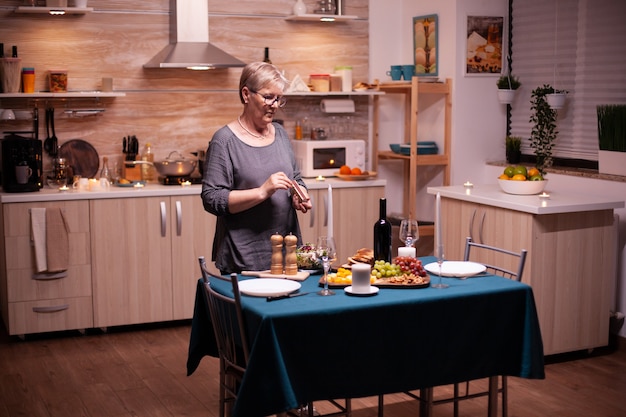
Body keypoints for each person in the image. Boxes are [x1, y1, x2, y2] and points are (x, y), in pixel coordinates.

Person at [201, 62, 312, 274]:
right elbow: (212, 198)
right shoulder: (224, 141)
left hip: (287, 256)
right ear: (246, 94)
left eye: (279, 98)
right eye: (268, 97)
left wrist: (299, 192)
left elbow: (295, 176)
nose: (275, 104)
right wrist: (262, 191)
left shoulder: (279, 133)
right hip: (244, 259)